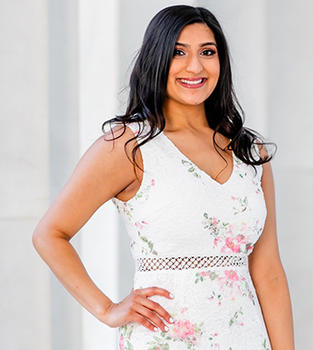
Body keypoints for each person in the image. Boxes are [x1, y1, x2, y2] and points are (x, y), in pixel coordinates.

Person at [32, 5, 295, 350]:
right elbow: (50, 234)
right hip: (163, 340)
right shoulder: (129, 145)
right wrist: (107, 309)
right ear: (157, 60)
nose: (195, 66)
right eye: (178, 53)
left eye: (207, 52)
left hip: (244, 338)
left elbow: (269, 272)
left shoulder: (250, 151)